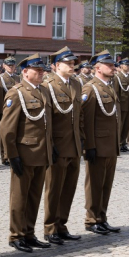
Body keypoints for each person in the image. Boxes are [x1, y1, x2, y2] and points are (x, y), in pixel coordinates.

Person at [0, 54, 53, 253]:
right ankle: (16, 235)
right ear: (25, 72)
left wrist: (50, 147)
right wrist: (11, 155)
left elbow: (47, 124)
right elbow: (7, 129)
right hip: (24, 153)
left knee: (34, 196)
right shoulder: (17, 93)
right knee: (19, 197)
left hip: (41, 152)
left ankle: (29, 233)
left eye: (42, 71)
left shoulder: (44, 92)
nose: (41, 74)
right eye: (37, 71)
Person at [41, 47, 84, 245]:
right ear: (57, 65)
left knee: (69, 187)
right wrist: (50, 144)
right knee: (54, 188)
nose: (72, 66)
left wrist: (81, 140)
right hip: (58, 144)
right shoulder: (48, 85)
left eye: (73, 63)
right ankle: (50, 228)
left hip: (73, 144)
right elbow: (46, 119)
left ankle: (61, 225)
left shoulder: (76, 84)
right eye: (68, 63)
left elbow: (78, 116)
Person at [82, 50, 121, 235]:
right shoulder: (90, 89)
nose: (113, 68)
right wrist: (89, 145)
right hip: (97, 145)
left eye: (113, 65)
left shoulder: (109, 87)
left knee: (106, 184)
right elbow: (86, 120)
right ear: (98, 68)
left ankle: (102, 217)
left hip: (110, 145)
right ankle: (91, 219)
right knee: (95, 184)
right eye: (109, 65)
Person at [0, 57, 21, 166]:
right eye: (8, 65)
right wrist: (0, 112)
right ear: (4, 66)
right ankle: (4, 156)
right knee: (4, 133)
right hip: (5, 110)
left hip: (18, 109)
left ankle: (14, 153)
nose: (11, 67)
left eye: (12, 65)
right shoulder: (0, 78)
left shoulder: (18, 78)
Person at [114, 58, 129, 152]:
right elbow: (116, 93)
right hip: (121, 105)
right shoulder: (117, 77)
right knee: (120, 126)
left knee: (126, 126)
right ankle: (118, 144)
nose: (128, 66)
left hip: (128, 105)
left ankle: (123, 143)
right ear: (121, 66)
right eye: (126, 64)